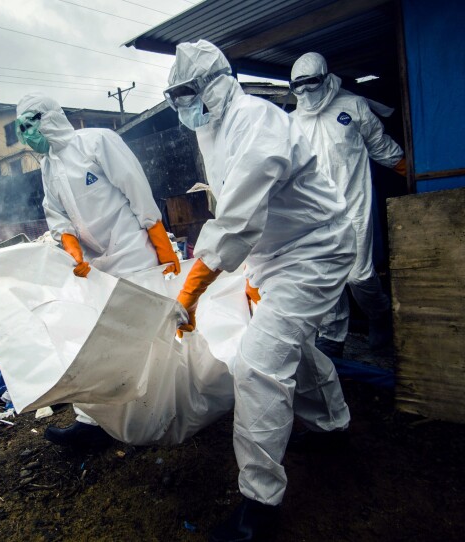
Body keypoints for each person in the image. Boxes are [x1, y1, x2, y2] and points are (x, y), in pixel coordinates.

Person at [165, 41, 355, 541]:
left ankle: (260, 506)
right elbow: (240, 208)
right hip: (276, 255)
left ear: (214, 83)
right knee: (290, 344)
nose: (183, 105)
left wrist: (191, 289)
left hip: (316, 249)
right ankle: (333, 426)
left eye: (188, 93)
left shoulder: (256, 119)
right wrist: (250, 268)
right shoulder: (212, 130)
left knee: (258, 363)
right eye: (175, 96)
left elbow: (237, 216)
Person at [15, 92, 180, 447]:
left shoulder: (97, 141)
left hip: (133, 253)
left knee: (147, 335)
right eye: (20, 129)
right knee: (96, 341)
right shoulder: (48, 166)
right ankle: (93, 422)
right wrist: (74, 252)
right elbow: (58, 218)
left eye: (29, 124)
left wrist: (160, 242)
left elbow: (136, 189)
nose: (25, 134)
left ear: (48, 118)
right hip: (97, 265)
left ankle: (164, 406)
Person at [289, 52, 406, 357]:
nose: (304, 93)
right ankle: (332, 336)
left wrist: (414, 172)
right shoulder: (291, 122)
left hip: (353, 205)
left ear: (326, 79)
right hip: (314, 213)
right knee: (325, 276)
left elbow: (380, 146)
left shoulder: (352, 106)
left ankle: (380, 316)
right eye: (297, 87)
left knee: (358, 275)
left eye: (310, 84)